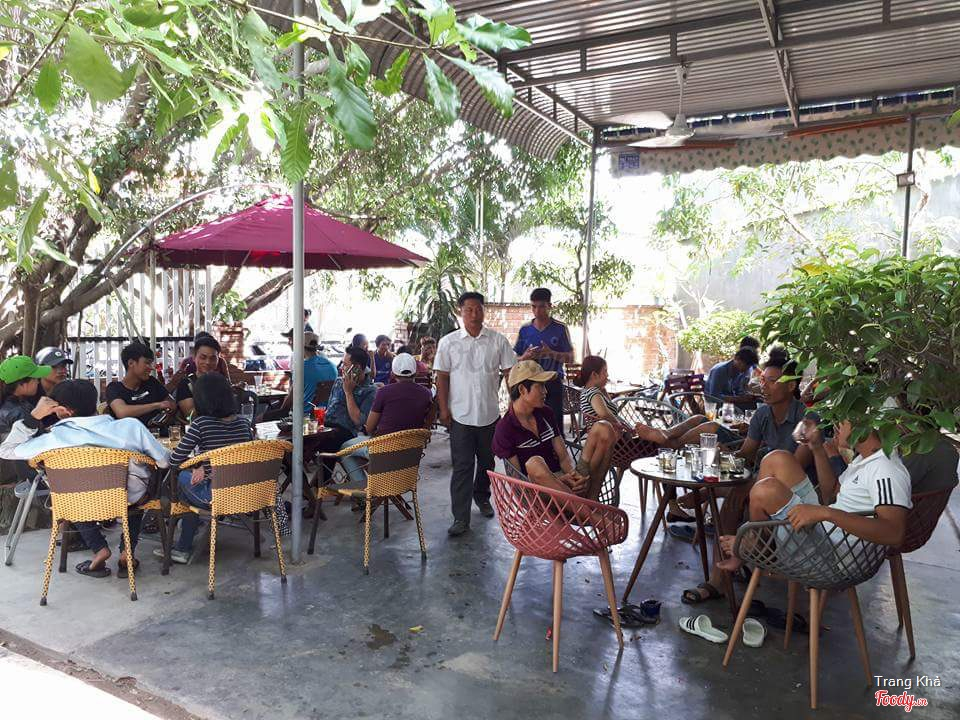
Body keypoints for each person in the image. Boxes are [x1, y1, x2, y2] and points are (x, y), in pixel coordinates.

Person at [0, 379, 169, 578]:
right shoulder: (130, 427)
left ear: (64, 411)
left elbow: (6, 450)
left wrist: (34, 416)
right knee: (135, 492)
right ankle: (127, 553)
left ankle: (99, 548)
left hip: (78, 504)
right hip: (127, 500)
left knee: (72, 492)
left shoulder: (51, 439)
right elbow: (164, 461)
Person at [717, 419, 911, 573]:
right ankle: (758, 543)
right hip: (825, 534)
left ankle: (757, 547)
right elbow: (830, 496)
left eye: (842, 421)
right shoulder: (865, 459)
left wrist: (827, 514)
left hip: (834, 558)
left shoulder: (885, 469)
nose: (836, 427)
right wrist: (817, 448)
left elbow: (894, 533)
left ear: (865, 425)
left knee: (766, 490)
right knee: (777, 458)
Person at [434, 291, 516, 536]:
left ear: (484, 311)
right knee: (462, 466)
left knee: (487, 463)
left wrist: (515, 406)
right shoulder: (448, 342)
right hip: (460, 416)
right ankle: (461, 518)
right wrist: (443, 409)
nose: (474, 314)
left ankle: (481, 497)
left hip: (490, 415)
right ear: (460, 312)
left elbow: (510, 373)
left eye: (478, 309)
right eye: (469, 309)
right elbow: (442, 377)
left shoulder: (497, 341)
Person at [161, 373, 255, 564]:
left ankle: (184, 544)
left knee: (182, 478)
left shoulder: (201, 424)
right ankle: (188, 531)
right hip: (245, 493)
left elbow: (175, 460)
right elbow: (245, 458)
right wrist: (204, 466)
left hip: (215, 496)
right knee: (191, 483)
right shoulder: (244, 423)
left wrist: (198, 465)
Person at [493, 361, 617, 503]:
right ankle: (588, 510)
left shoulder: (546, 413)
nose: (545, 391)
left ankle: (590, 501)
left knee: (604, 428)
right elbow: (519, 481)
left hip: (564, 479)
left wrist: (573, 476)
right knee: (535, 463)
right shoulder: (505, 428)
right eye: (540, 386)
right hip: (538, 490)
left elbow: (563, 457)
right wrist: (558, 480)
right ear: (522, 390)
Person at [576, 356, 735, 448]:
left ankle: (666, 434)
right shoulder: (593, 393)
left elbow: (606, 412)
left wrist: (604, 393)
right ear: (594, 375)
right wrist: (627, 429)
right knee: (708, 427)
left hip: (626, 439)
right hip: (625, 445)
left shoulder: (593, 392)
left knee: (698, 418)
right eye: (605, 372)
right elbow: (605, 415)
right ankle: (671, 441)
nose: (608, 375)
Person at [338, 353, 434, 484]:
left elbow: (369, 427)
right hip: (411, 452)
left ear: (393, 373)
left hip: (382, 450)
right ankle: (377, 484)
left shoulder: (384, 392)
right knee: (360, 452)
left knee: (345, 448)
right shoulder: (426, 393)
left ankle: (364, 488)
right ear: (416, 372)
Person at [314, 346, 378, 484]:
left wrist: (348, 392)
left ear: (357, 368)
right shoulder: (338, 382)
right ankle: (310, 487)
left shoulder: (370, 391)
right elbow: (330, 409)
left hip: (345, 432)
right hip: (325, 427)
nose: (341, 367)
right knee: (296, 443)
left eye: (345, 364)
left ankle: (317, 487)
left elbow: (358, 421)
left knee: (328, 444)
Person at [514, 288, 575, 433]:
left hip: (552, 383)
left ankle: (556, 448)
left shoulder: (560, 329)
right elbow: (514, 359)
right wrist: (525, 357)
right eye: (533, 306)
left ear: (549, 306)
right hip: (529, 384)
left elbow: (571, 358)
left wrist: (551, 353)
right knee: (530, 425)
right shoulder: (525, 330)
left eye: (541, 306)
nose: (537, 311)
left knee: (554, 427)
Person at [263, 333, 338, 421]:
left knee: (259, 419)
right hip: (323, 415)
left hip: (303, 416)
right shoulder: (332, 366)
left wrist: (281, 411)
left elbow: (290, 400)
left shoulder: (301, 367)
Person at [107, 343, 177, 426]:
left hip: (158, 432)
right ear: (131, 363)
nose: (151, 368)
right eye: (147, 363)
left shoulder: (152, 382)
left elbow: (171, 403)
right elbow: (122, 412)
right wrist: (157, 405)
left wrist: (165, 413)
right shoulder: (114, 388)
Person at [175, 335, 223, 417]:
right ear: (194, 358)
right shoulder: (186, 384)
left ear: (218, 359)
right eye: (203, 357)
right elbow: (190, 415)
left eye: (212, 358)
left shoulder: (222, 382)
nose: (208, 362)